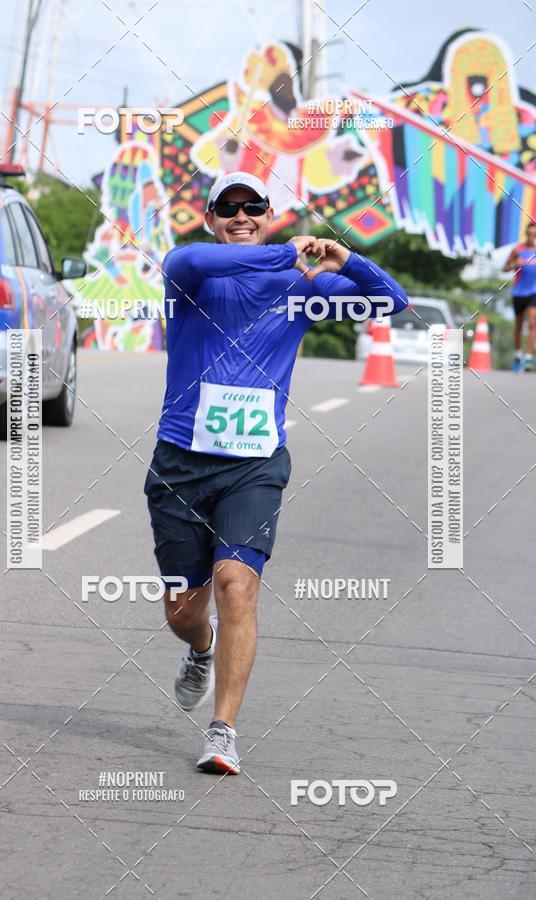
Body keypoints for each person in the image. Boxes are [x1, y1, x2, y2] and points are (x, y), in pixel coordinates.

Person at [144, 171, 407, 775]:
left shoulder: (301, 287)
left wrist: (349, 258)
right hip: (180, 464)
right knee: (184, 610)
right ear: (211, 218)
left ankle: (223, 731)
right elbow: (183, 254)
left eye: (253, 206)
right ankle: (201, 648)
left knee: (237, 583)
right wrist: (286, 250)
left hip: (255, 465)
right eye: (227, 208)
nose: (241, 215)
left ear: (270, 212)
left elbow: (391, 303)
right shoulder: (193, 274)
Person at [503, 222, 536, 372]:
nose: (532, 237)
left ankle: (528, 358)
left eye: (534, 234)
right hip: (519, 292)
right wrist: (514, 264)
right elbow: (505, 268)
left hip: (533, 292)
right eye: (530, 234)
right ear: (526, 234)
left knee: (533, 323)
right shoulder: (518, 250)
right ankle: (517, 355)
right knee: (518, 325)